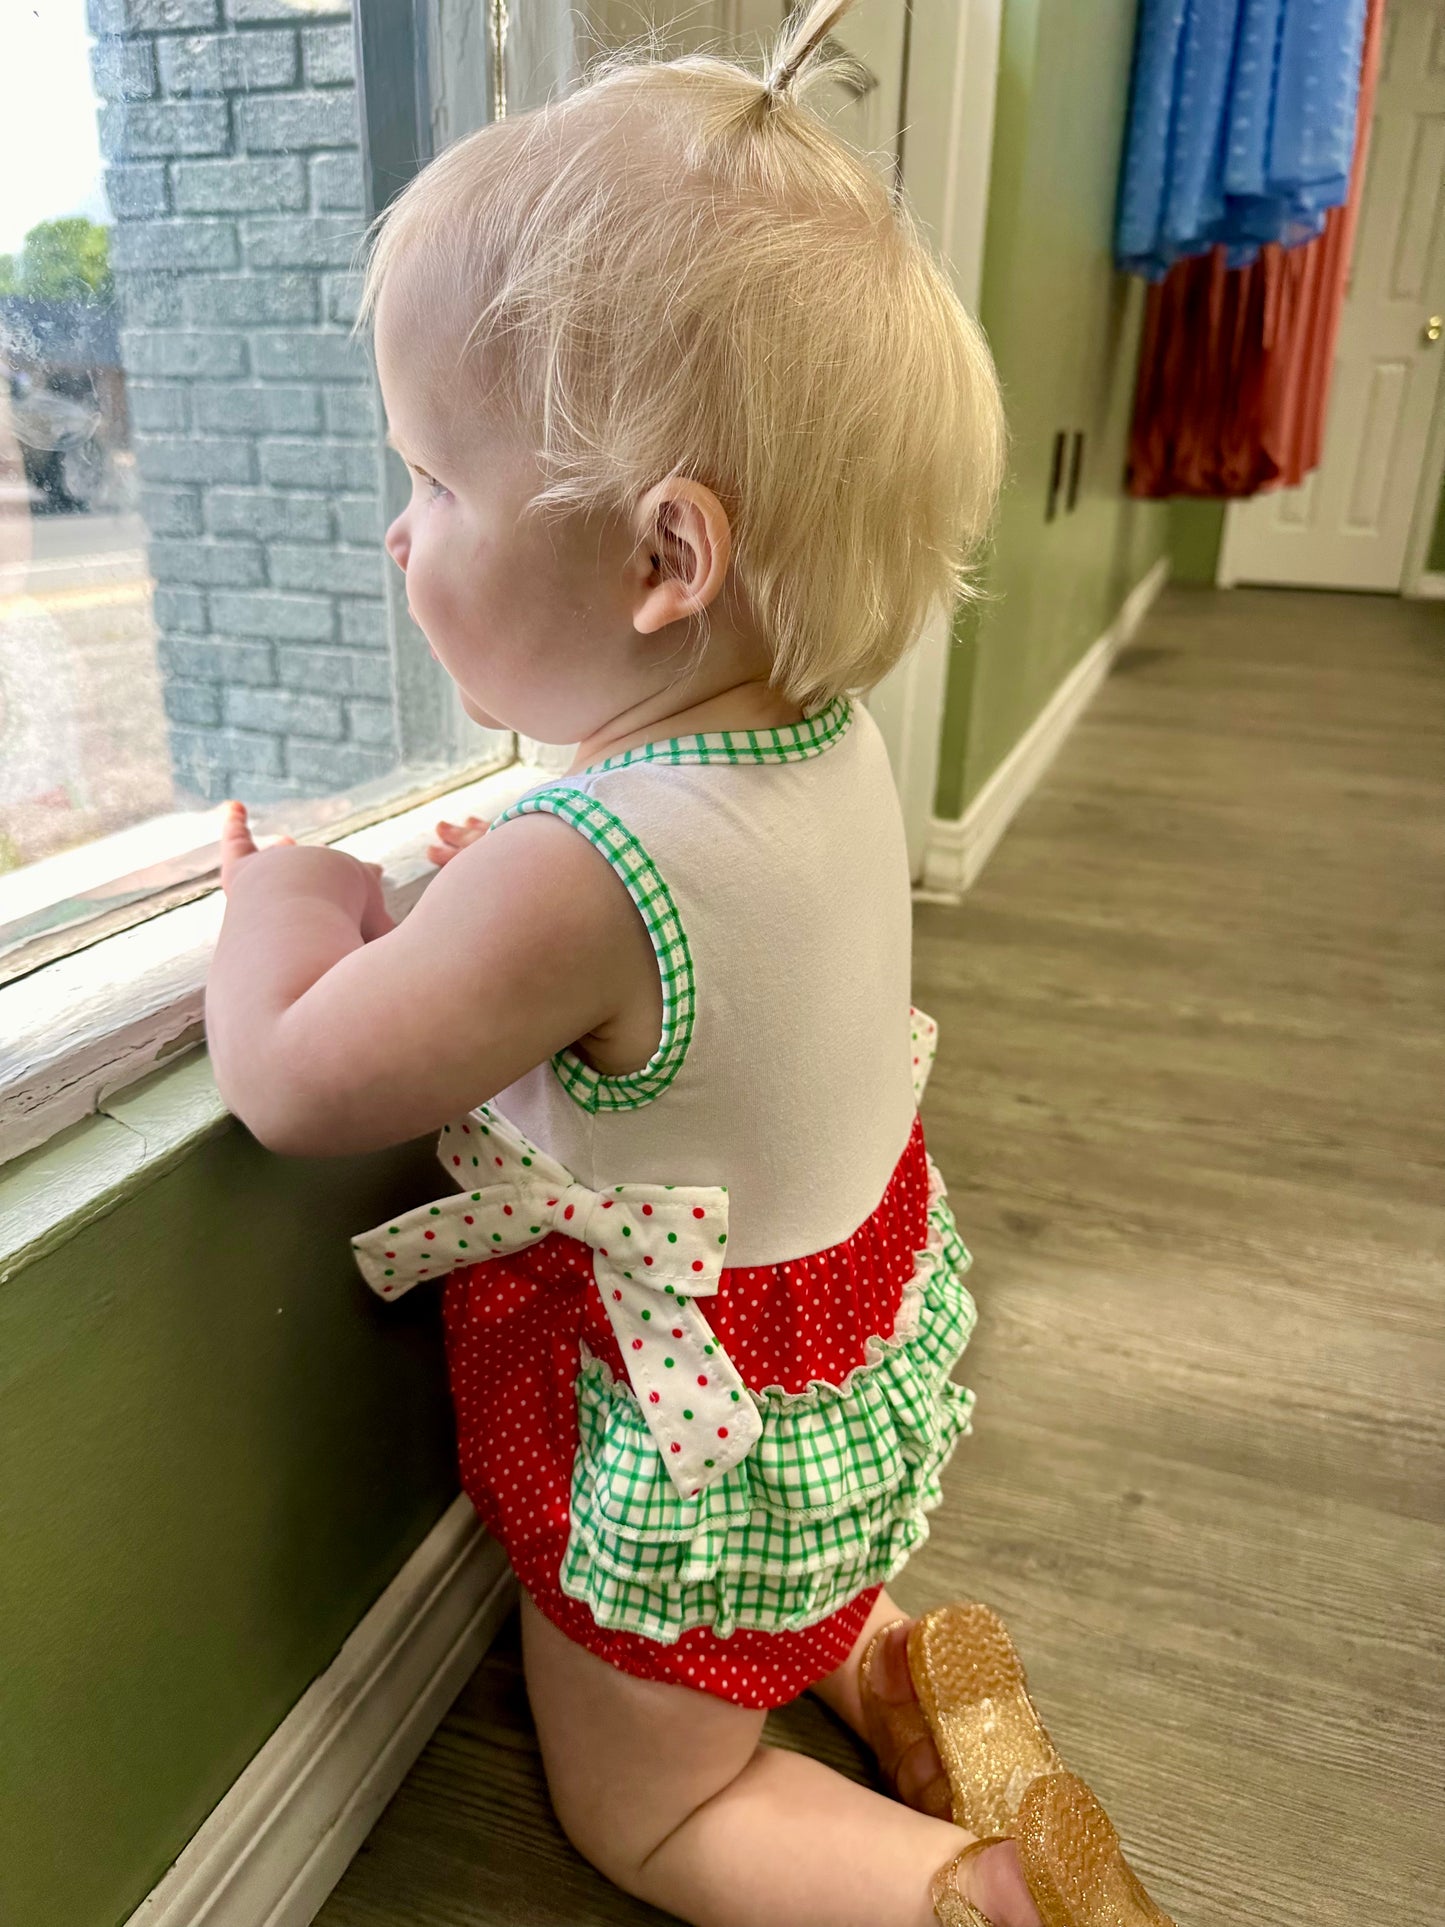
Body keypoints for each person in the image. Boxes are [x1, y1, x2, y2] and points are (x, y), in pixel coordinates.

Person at [205, 6, 1175, 1922]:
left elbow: (297, 1077)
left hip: (689, 1415)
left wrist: (292, 903)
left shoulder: (575, 869)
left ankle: (966, 1899)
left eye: (435, 484)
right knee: (780, 1575)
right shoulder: (809, 736)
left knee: (649, 1811)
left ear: (664, 559)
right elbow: (691, 962)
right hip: (838, 1326)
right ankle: (884, 1656)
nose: (400, 536)